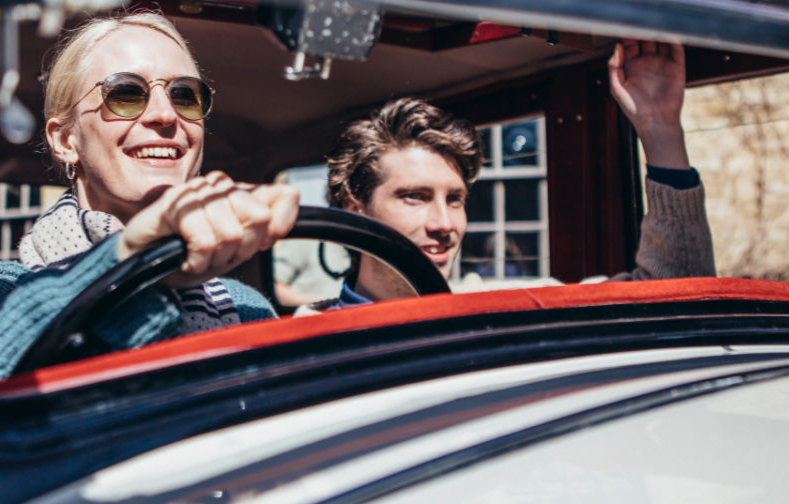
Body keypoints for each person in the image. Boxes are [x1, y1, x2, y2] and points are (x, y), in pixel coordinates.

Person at [0, 13, 299, 385]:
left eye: (185, 95)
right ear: (65, 140)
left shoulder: (243, 307)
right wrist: (125, 264)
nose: (166, 114)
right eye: (126, 93)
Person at [295, 39, 714, 316]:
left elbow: (677, 295)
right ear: (355, 209)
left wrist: (660, 129)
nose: (445, 225)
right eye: (414, 197)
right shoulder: (300, 336)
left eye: (455, 199)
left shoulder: (505, 306)